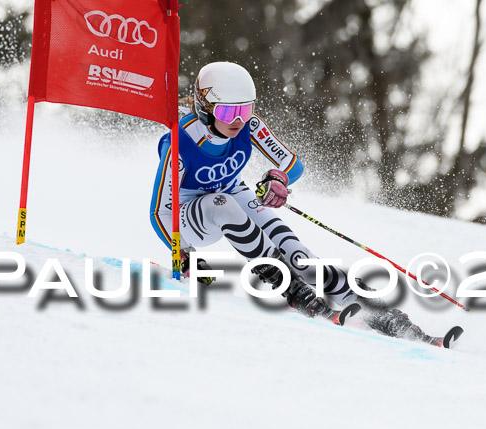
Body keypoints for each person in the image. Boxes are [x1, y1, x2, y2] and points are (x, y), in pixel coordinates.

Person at [150, 61, 444, 345]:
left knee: (297, 253)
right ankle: (290, 289)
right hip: (186, 217)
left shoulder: (249, 126)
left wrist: (278, 179)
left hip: (229, 193)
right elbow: (159, 212)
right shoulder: (179, 141)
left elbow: (293, 165)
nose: (238, 121)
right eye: (228, 112)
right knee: (223, 202)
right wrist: (183, 255)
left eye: (246, 109)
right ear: (206, 108)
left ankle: (378, 311)